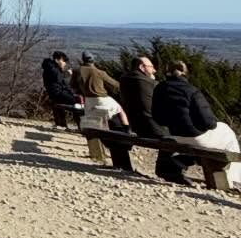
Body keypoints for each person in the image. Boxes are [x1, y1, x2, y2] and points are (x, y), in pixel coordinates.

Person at [152, 60, 241, 187]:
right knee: (227, 133)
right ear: (185, 73)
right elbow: (209, 123)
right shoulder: (192, 91)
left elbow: (157, 117)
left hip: (175, 135)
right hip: (196, 137)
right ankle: (234, 180)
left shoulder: (159, 88)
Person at [119, 55, 187, 184]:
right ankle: (168, 170)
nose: (154, 70)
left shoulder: (125, 79)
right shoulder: (149, 83)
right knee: (182, 135)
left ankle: (167, 169)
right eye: (151, 67)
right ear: (141, 67)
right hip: (153, 127)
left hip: (136, 125)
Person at [71, 51, 132, 171]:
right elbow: (115, 84)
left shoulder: (77, 71)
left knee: (98, 131)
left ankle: (100, 156)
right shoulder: (99, 72)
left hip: (89, 103)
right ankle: (127, 131)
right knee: (120, 112)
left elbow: (73, 86)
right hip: (103, 101)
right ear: (93, 60)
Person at [41, 51, 83, 129]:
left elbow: (59, 79)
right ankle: (80, 126)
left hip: (56, 93)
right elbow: (59, 78)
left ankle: (62, 124)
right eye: (63, 61)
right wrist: (66, 73)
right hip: (57, 93)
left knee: (74, 100)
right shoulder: (51, 68)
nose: (64, 63)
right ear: (57, 60)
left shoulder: (50, 67)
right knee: (77, 102)